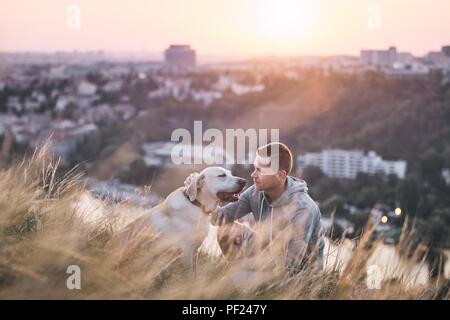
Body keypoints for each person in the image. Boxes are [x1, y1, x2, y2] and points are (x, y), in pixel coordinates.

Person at [210, 142, 325, 273]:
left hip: (299, 275)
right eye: (254, 168)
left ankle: (240, 277)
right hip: (269, 255)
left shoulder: (302, 209)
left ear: (280, 175)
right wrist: (203, 193)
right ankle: (240, 277)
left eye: (260, 170)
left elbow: (292, 263)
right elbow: (219, 218)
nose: (253, 174)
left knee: (233, 280)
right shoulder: (255, 192)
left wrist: (244, 265)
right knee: (226, 230)